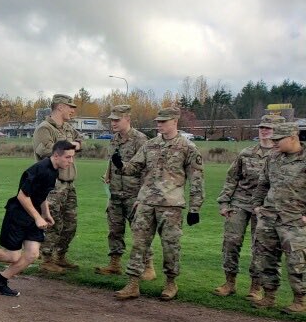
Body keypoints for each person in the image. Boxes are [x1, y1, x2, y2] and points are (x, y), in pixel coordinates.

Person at [111, 107, 203, 301]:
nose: (159, 125)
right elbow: (134, 168)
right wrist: (121, 166)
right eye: (158, 122)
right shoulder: (150, 145)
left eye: (163, 121)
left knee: (171, 245)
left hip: (170, 205)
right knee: (139, 244)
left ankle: (170, 282)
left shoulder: (187, 147)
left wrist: (195, 208)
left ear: (175, 121)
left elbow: (196, 180)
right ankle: (133, 283)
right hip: (145, 202)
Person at [0, 140, 77, 297]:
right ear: (56, 155)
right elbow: (23, 196)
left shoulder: (54, 170)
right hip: (17, 215)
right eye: (68, 157)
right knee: (13, 256)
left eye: (72, 157)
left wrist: (46, 214)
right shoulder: (40, 169)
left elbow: (42, 195)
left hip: (33, 216)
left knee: (32, 254)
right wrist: (38, 217)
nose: (71, 161)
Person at [212, 114, 281, 300]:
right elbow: (231, 179)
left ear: (277, 131)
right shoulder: (246, 153)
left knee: (260, 246)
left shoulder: (280, 157)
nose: (264, 131)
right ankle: (229, 282)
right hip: (240, 202)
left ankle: (255, 286)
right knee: (231, 242)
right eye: (262, 128)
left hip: (266, 207)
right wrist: (225, 202)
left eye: (268, 128)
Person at [248, 121, 306, 313]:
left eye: (277, 139)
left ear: (292, 137)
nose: (273, 142)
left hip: (294, 219)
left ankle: (300, 300)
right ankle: (269, 295)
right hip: (269, 216)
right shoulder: (273, 158)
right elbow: (263, 184)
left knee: (296, 261)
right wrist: (257, 205)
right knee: (266, 258)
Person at [94, 104, 156, 280]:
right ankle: (114, 264)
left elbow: (147, 170)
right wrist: (107, 177)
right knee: (114, 230)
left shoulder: (140, 140)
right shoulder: (114, 139)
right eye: (112, 120)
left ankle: (148, 266)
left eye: (116, 120)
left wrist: (143, 197)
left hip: (133, 194)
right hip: (114, 193)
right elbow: (111, 162)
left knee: (140, 232)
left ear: (127, 119)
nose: (113, 123)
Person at [33, 93, 83, 273]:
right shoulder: (44, 128)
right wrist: (70, 145)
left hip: (69, 183)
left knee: (70, 224)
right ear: (60, 106)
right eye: (70, 107)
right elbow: (46, 150)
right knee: (52, 222)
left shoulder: (68, 127)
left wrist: (71, 144)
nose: (72, 110)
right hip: (52, 184)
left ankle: (60, 256)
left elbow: (81, 142)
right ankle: (46, 260)